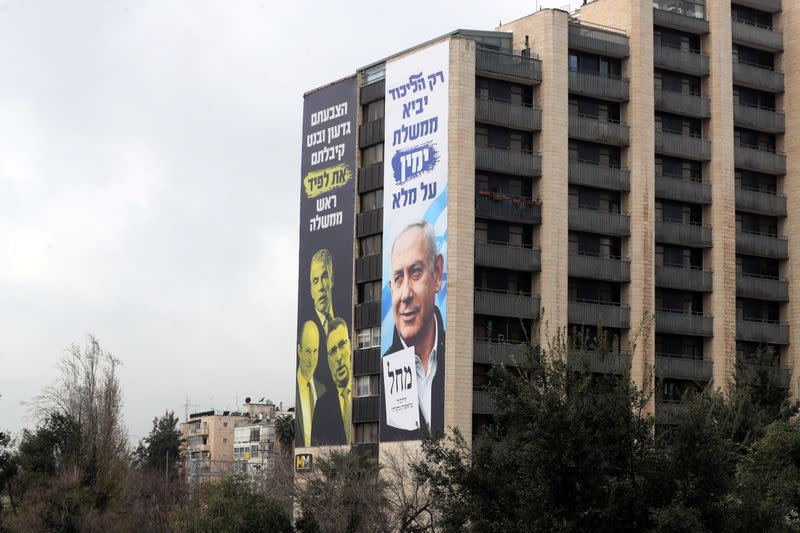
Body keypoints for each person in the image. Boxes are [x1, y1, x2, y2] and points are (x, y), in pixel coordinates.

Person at [382, 220, 445, 438]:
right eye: (398, 279)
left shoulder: (457, 357)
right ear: (391, 289)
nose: (405, 294)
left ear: (437, 274)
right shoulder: (383, 375)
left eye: (416, 273)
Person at [312, 317, 353, 445]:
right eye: (333, 351)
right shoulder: (322, 407)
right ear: (328, 360)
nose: (339, 357)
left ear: (351, 346)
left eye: (342, 345)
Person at [295, 320, 325, 448]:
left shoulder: (323, 391)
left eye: (315, 351)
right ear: (299, 350)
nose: (312, 359)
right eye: (307, 351)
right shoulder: (295, 391)